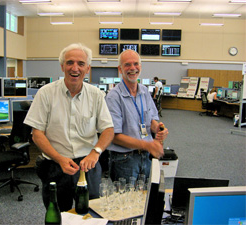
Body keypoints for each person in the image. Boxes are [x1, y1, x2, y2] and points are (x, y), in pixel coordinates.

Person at [24, 43, 114, 212]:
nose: (75, 68)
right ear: (62, 66)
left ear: (87, 68)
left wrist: (95, 152)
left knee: (92, 213)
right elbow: (37, 134)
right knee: (58, 213)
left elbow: (108, 130)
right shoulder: (46, 93)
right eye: (70, 62)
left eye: (81, 64)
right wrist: (59, 159)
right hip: (55, 165)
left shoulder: (96, 95)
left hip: (88, 165)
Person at [105, 49, 169, 183]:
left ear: (140, 66)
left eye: (136, 64)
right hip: (124, 159)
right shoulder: (113, 97)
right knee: (126, 202)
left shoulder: (144, 91)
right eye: (127, 65)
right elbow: (114, 136)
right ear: (120, 69)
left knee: (145, 199)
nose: (132, 68)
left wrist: (158, 128)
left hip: (145, 157)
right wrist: (147, 145)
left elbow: (151, 119)